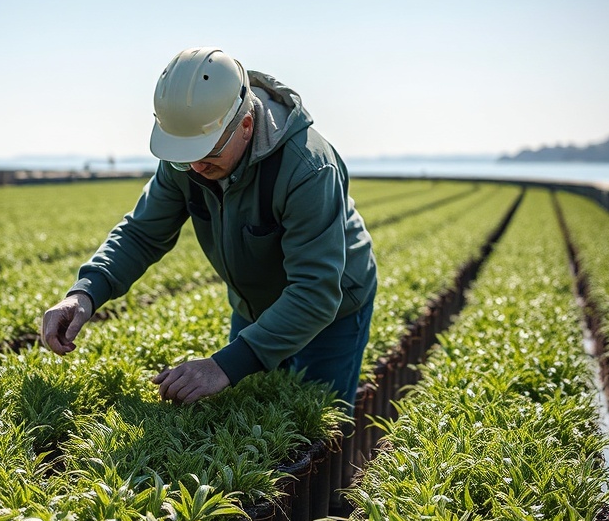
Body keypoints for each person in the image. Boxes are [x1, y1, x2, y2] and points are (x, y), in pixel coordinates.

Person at [41, 47, 377, 410]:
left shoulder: (306, 168)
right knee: (247, 414)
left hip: (333, 311)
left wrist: (225, 365)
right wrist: (85, 293)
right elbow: (142, 233)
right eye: (185, 157)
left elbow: (315, 291)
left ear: (245, 126)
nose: (196, 169)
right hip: (255, 306)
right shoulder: (186, 162)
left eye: (208, 155)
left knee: (314, 420)